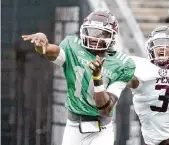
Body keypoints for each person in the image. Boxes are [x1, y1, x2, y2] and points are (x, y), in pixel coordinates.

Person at [22, 10, 136, 145]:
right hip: (73, 127)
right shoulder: (73, 48)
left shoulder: (121, 65)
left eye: (101, 33)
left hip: (101, 130)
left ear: (111, 36)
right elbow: (50, 51)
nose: (94, 37)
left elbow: (105, 109)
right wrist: (42, 45)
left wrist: (97, 78)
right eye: (92, 31)